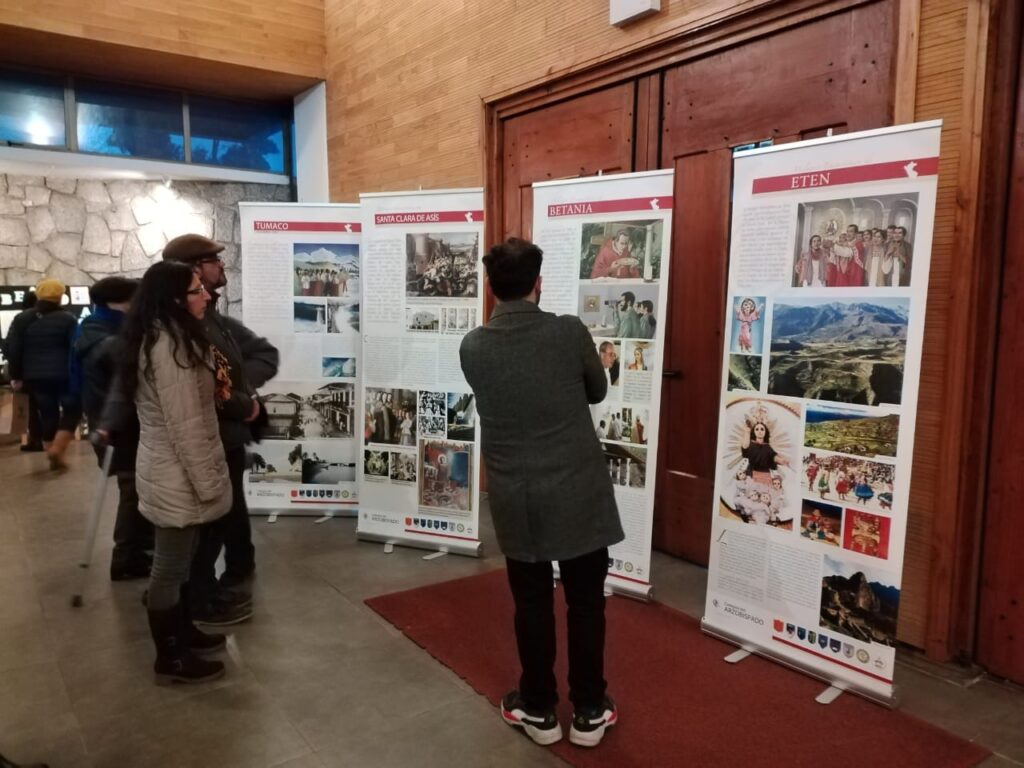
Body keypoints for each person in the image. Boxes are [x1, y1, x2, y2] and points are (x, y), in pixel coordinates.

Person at [460, 238, 622, 749]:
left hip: (518, 494)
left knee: (531, 602)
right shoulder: (568, 332)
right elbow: (596, 390)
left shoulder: (473, 346)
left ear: (490, 287)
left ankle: (538, 707)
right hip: (577, 488)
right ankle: (590, 709)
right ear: (538, 283)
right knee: (586, 602)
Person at [121, 261, 232, 685]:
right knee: (168, 568)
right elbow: (186, 426)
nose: (206, 295)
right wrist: (208, 485)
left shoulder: (171, 335)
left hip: (172, 468)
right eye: (196, 290)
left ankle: (183, 632)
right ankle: (170, 657)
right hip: (176, 474)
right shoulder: (169, 347)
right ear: (173, 300)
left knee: (182, 563)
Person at [162, 234, 279, 625]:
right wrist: (243, 402)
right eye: (214, 261)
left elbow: (243, 364)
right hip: (203, 439)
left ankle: (206, 591)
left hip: (222, 436)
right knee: (204, 526)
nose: (222, 266)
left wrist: (241, 390)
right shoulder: (180, 328)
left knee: (220, 518)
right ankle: (196, 600)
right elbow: (200, 388)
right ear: (194, 269)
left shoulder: (210, 318)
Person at [73, 276, 154, 581]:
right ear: (121, 303)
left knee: (135, 490)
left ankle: (138, 551)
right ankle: (126, 558)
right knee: (133, 491)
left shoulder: (92, 329)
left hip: (112, 425)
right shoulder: (110, 341)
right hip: (121, 429)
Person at [5, 278, 81, 470]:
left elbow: (14, 349)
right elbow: (75, 347)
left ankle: (49, 447)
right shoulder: (68, 319)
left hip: (34, 375)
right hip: (63, 373)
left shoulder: (22, 318)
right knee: (72, 409)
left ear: (38, 295)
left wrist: (15, 376)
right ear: (60, 297)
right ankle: (57, 448)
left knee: (48, 412)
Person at [740, 420, 788, 486]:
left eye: (762, 429)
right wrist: (747, 432)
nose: (759, 431)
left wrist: (781, 460)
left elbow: (773, 456)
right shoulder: (751, 445)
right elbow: (745, 448)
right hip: (752, 473)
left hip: (765, 475)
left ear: (765, 432)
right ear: (754, 432)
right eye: (757, 429)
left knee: (765, 491)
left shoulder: (767, 447)